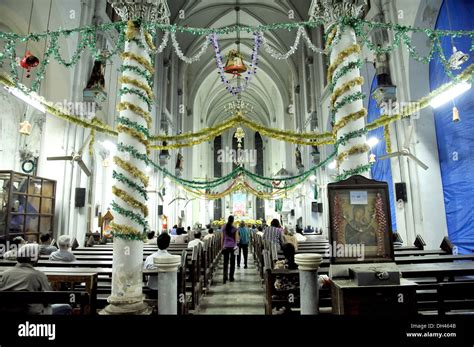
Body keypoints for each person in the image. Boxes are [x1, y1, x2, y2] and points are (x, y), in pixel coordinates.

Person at [0, 244, 72, 315]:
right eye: (37, 255)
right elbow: (49, 299)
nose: (39, 256)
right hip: (34, 313)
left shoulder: (4, 274)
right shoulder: (39, 275)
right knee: (67, 307)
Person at [221, 216, 239, 284]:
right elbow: (236, 239)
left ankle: (224, 278)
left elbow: (222, 238)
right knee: (232, 262)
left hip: (225, 246)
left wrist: (222, 246)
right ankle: (231, 277)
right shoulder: (234, 229)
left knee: (225, 263)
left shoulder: (223, 227)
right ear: (233, 221)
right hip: (233, 247)